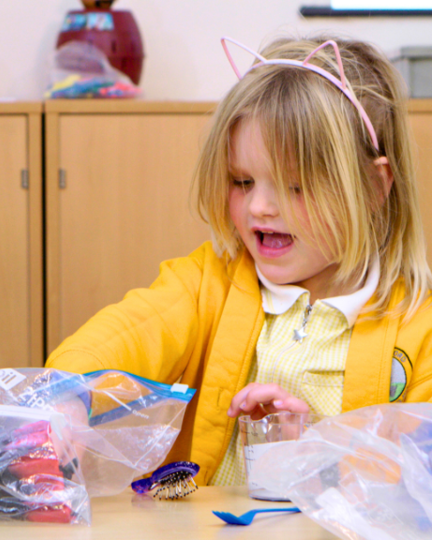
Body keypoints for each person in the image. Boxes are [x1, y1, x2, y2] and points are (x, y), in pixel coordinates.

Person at [46, 34, 432, 487]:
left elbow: (414, 482)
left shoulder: (419, 327)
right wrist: (68, 392)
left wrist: (315, 457)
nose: (259, 208)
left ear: (371, 186)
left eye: (296, 187)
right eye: (242, 181)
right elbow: (127, 331)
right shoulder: (207, 282)